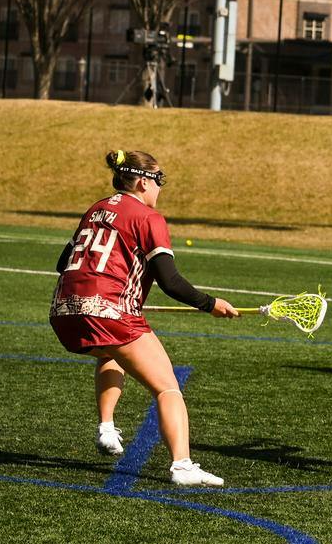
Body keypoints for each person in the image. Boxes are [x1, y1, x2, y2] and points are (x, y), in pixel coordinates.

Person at [49, 150, 240, 487]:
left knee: (112, 352)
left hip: (64, 312)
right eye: (158, 180)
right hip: (111, 314)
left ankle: (106, 427)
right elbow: (171, 282)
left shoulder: (95, 210)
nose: (159, 188)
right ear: (141, 181)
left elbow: (63, 263)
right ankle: (182, 465)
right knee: (167, 388)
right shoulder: (149, 218)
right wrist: (210, 303)